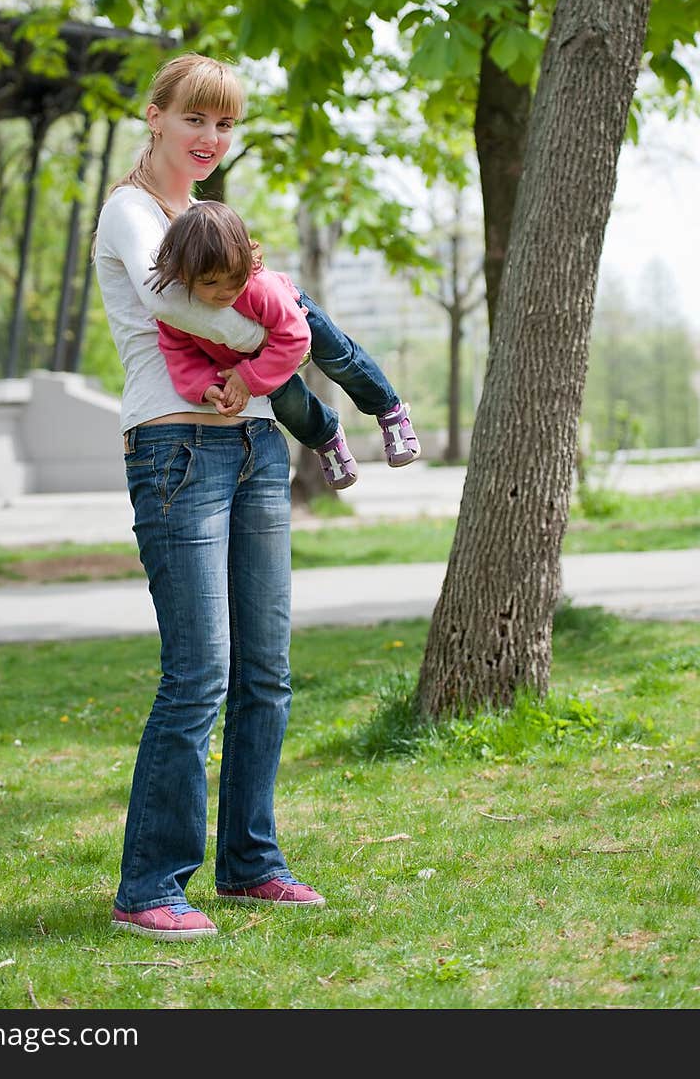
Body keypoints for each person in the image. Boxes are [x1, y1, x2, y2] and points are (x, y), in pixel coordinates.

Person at [93, 52, 325, 941]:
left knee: (265, 673)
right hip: (177, 449)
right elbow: (189, 309)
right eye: (196, 119)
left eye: (225, 125)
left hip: (257, 445)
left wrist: (280, 340)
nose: (211, 140)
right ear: (154, 116)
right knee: (199, 677)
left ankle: (251, 865)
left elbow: (247, 312)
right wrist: (297, 330)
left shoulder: (204, 216)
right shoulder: (129, 213)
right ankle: (148, 885)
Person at [148, 200, 421, 490]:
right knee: (287, 402)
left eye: (234, 277)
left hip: (294, 321)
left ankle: (389, 410)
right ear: (183, 275)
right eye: (210, 282)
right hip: (251, 355)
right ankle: (325, 435)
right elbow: (179, 354)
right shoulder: (177, 310)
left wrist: (248, 377)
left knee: (341, 361)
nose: (225, 291)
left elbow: (296, 338)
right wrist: (204, 386)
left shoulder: (260, 287)